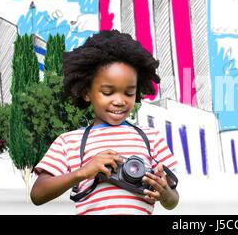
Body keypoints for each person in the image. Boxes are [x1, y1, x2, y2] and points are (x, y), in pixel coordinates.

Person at [30, 30, 179, 215]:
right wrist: (83, 172)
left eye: (129, 93)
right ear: (86, 93)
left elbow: (173, 200)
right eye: (108, 92)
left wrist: (164, 193)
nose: (119, 101)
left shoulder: (151, 137)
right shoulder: (69, 142)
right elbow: (37, 194)